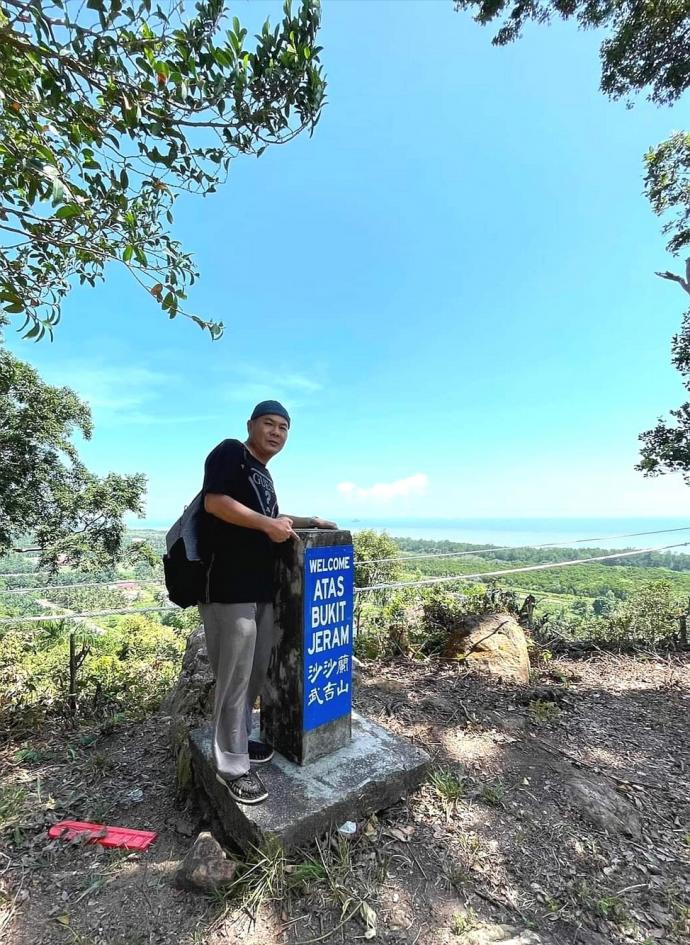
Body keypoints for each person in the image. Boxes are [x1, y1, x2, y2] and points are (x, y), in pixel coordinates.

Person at [198, 400, 337, 805]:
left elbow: (270, 516)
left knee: (255, 672)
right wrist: (267, 524)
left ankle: (239, 741)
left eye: (284, 427)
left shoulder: (263, 474)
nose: (276, 432)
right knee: (235, 676)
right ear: (251, 425)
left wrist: (307, 521)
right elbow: (216, 502)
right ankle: (232, 766)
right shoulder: (231, 453)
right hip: (227, 587)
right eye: (269, 424)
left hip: (259, 588)